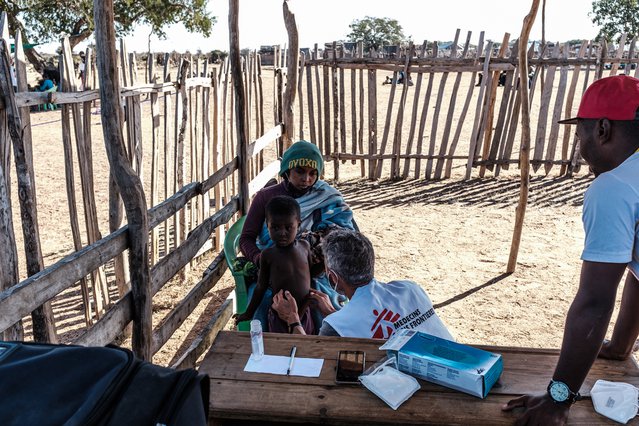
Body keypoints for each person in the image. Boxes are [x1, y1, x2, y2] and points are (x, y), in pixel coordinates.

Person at [502, 75, 639, 424]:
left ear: (604, 129)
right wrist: (620, 347)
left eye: (581, 135)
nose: (579, 149)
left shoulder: (615, 186)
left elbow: (594, 301)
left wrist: (558, 398)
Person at [238, 140, 355, 330]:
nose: (306, 179)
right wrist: (260, 259)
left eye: (312, 173)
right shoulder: (265, 197)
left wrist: (316, 262)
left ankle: (317, 347)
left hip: (314, 270)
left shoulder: (325, 196)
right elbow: (246, 239)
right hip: (272, 272)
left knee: (320, 298)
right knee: (266, 300)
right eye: (299, 171)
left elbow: (341, 234)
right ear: (286, 171)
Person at [272, 229, 453, 340]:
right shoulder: (410, 288)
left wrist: (292, 319)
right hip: (459, 369)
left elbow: (311, 357)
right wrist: (333, 313)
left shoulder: (336, 326)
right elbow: (373, 321)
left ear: (333, 278)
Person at [233, 196, 315, 334]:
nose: (282, 233)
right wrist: (248, 313)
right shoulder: (268, 255)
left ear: (299, 224)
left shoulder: (305, 247)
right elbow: (261, 287)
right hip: (280, 316)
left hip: (305, 312)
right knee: (280, 350)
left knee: (305, 348)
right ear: (267, 225)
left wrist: (326, 263)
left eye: (288, 227)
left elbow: (311, 273)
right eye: (275, 227)